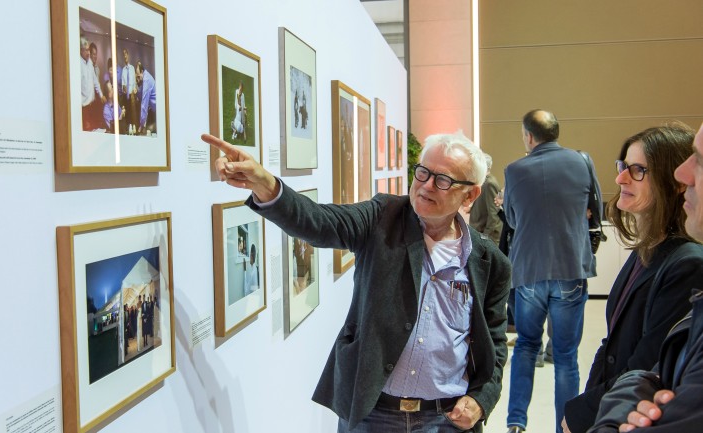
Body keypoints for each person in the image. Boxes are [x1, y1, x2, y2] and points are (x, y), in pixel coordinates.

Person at [202, 129, 511, 432]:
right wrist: (266, 184)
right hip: (374, 415)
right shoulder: (383, 217)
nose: (426, 186)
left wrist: (482, 398)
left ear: (470, 194)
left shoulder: (489, 262)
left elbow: (495, 342)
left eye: (442, 180)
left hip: (446, 419)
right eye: (422, 173)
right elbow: (320, 222)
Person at [562, 124, 703, 433]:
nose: (620, 178)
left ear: (674, 180)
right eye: (623, 166)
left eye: (638, 170)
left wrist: (584, 412)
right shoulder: (646, 249)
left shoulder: (686, 263)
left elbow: (647, 363)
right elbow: (612, 345)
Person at [504, 109, 600, 433]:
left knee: (527, 346)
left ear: (529, 137)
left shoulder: (514, 170)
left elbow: (513, 222)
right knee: (565, 356)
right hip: (571, 268)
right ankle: (564, 428)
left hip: (529, 271)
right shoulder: (582, 161)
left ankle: (516, 421)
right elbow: (595, 212)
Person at [469, 153, 502, 244]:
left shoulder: (489, 184)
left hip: (485, 237)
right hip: (480, 233)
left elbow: (494, 214)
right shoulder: (483, 182)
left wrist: (485, 238)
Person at [80, 36, 106, 131]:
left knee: (94, 129)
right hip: (84, 108)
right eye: (86, 50)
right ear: (81, 50)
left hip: (92, 105)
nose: (88, 53)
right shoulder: (78, 64)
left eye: (89, 50)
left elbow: (96, 81)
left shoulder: (90, 62)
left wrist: (101, 95)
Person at [135, 61, 157, 136]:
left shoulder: (146, 80)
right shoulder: (145, 76)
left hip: (156, 111)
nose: (138, 78)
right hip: (153, 110)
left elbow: (144, 105)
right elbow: (141, 96)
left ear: (142, 71)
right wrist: (137, 85)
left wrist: (141, 125)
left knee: (150, 133)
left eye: (138, 76)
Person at [120, 49, 137, 135]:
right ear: (123, 57)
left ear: (128, 55)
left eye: (126, 54)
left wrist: (133, 91)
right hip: (126, 95)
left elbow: (134, 82)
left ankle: (134, 127)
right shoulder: (123, 70)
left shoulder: (132, 68)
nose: (125, 56)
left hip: (132, 94)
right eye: (124, 54)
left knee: (132, 111)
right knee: (127, 113)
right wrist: (125, 89)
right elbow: (123, 84)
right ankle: (129, 127)